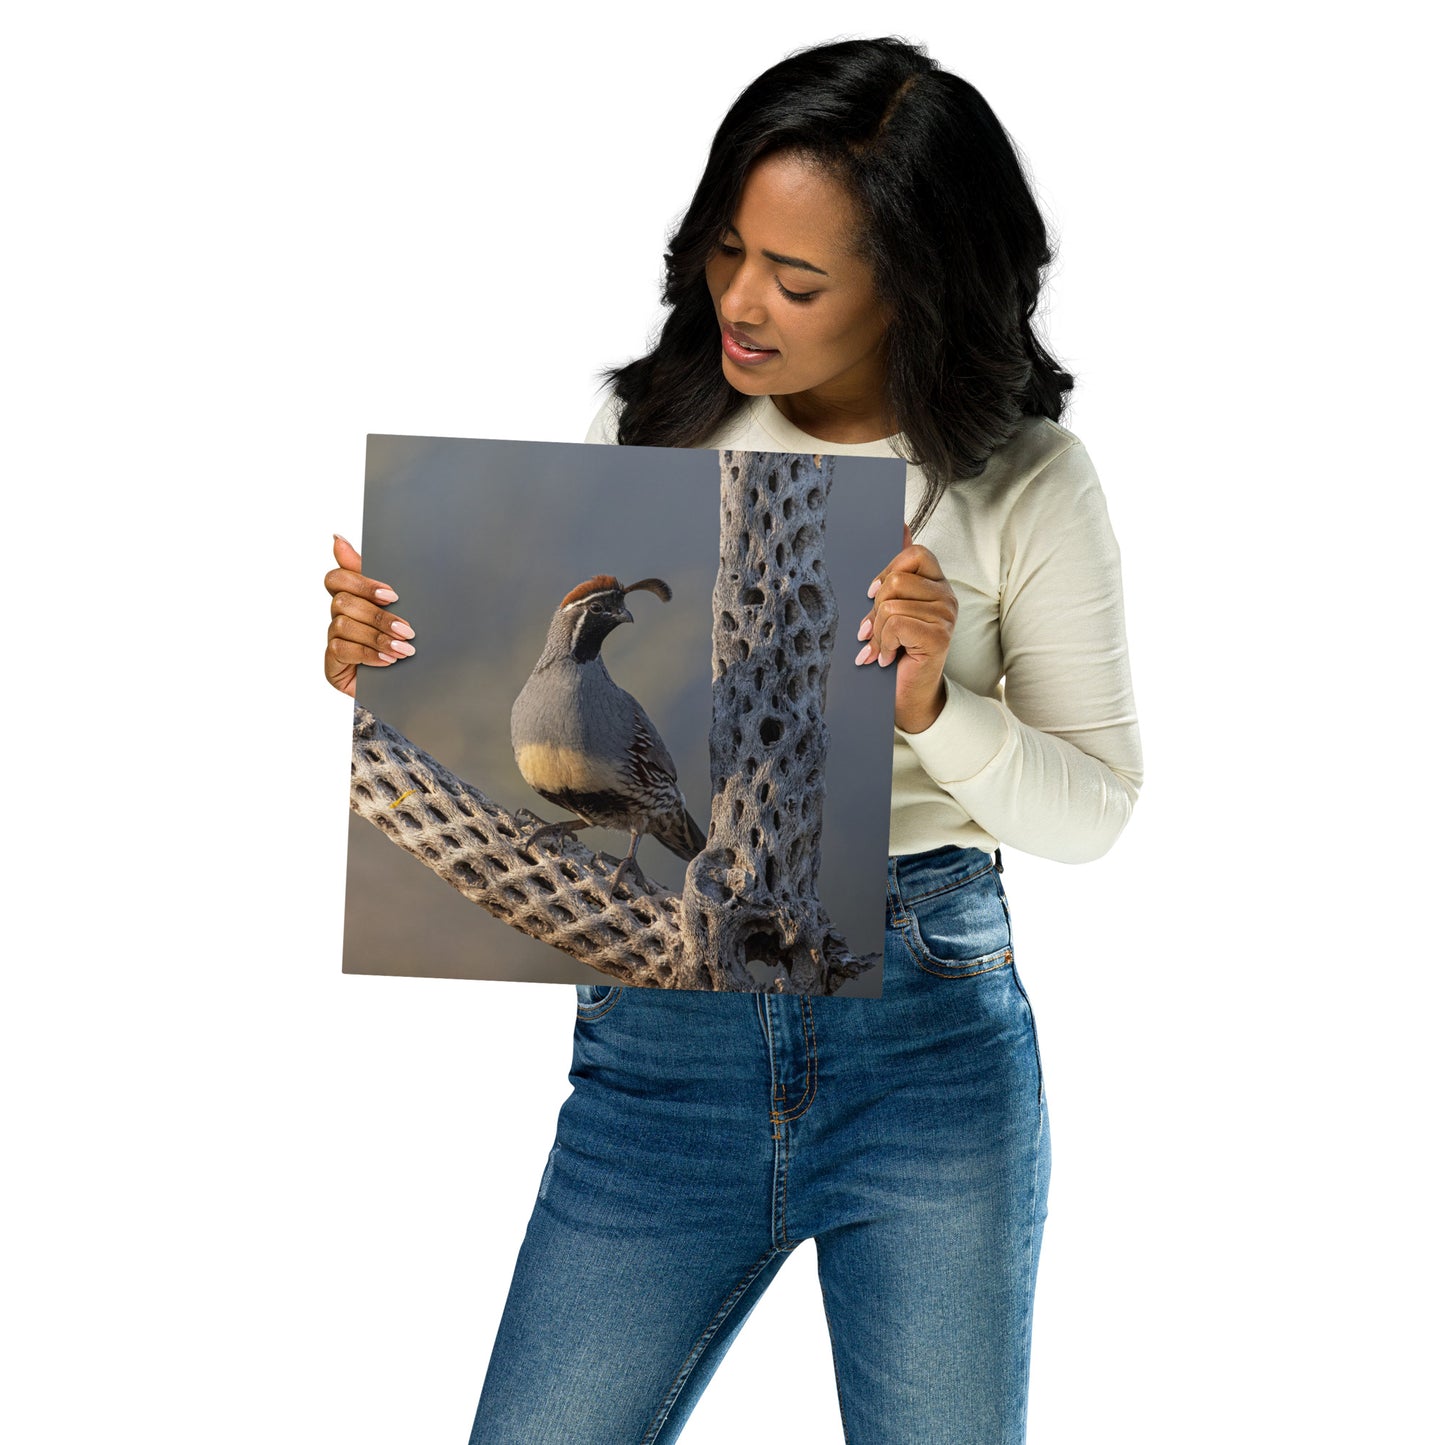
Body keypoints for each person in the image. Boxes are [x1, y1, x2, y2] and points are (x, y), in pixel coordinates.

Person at [325, 36, 1141, 1443]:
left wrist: (935, 707)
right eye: (724, 251)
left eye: (798, 277)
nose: (740, 302)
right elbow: (528, 692)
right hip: (659, 1052)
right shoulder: (649, 428)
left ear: (915, 287)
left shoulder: (1024, 481)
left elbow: (1093, 812)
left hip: (927, 1050)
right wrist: (376, 663)